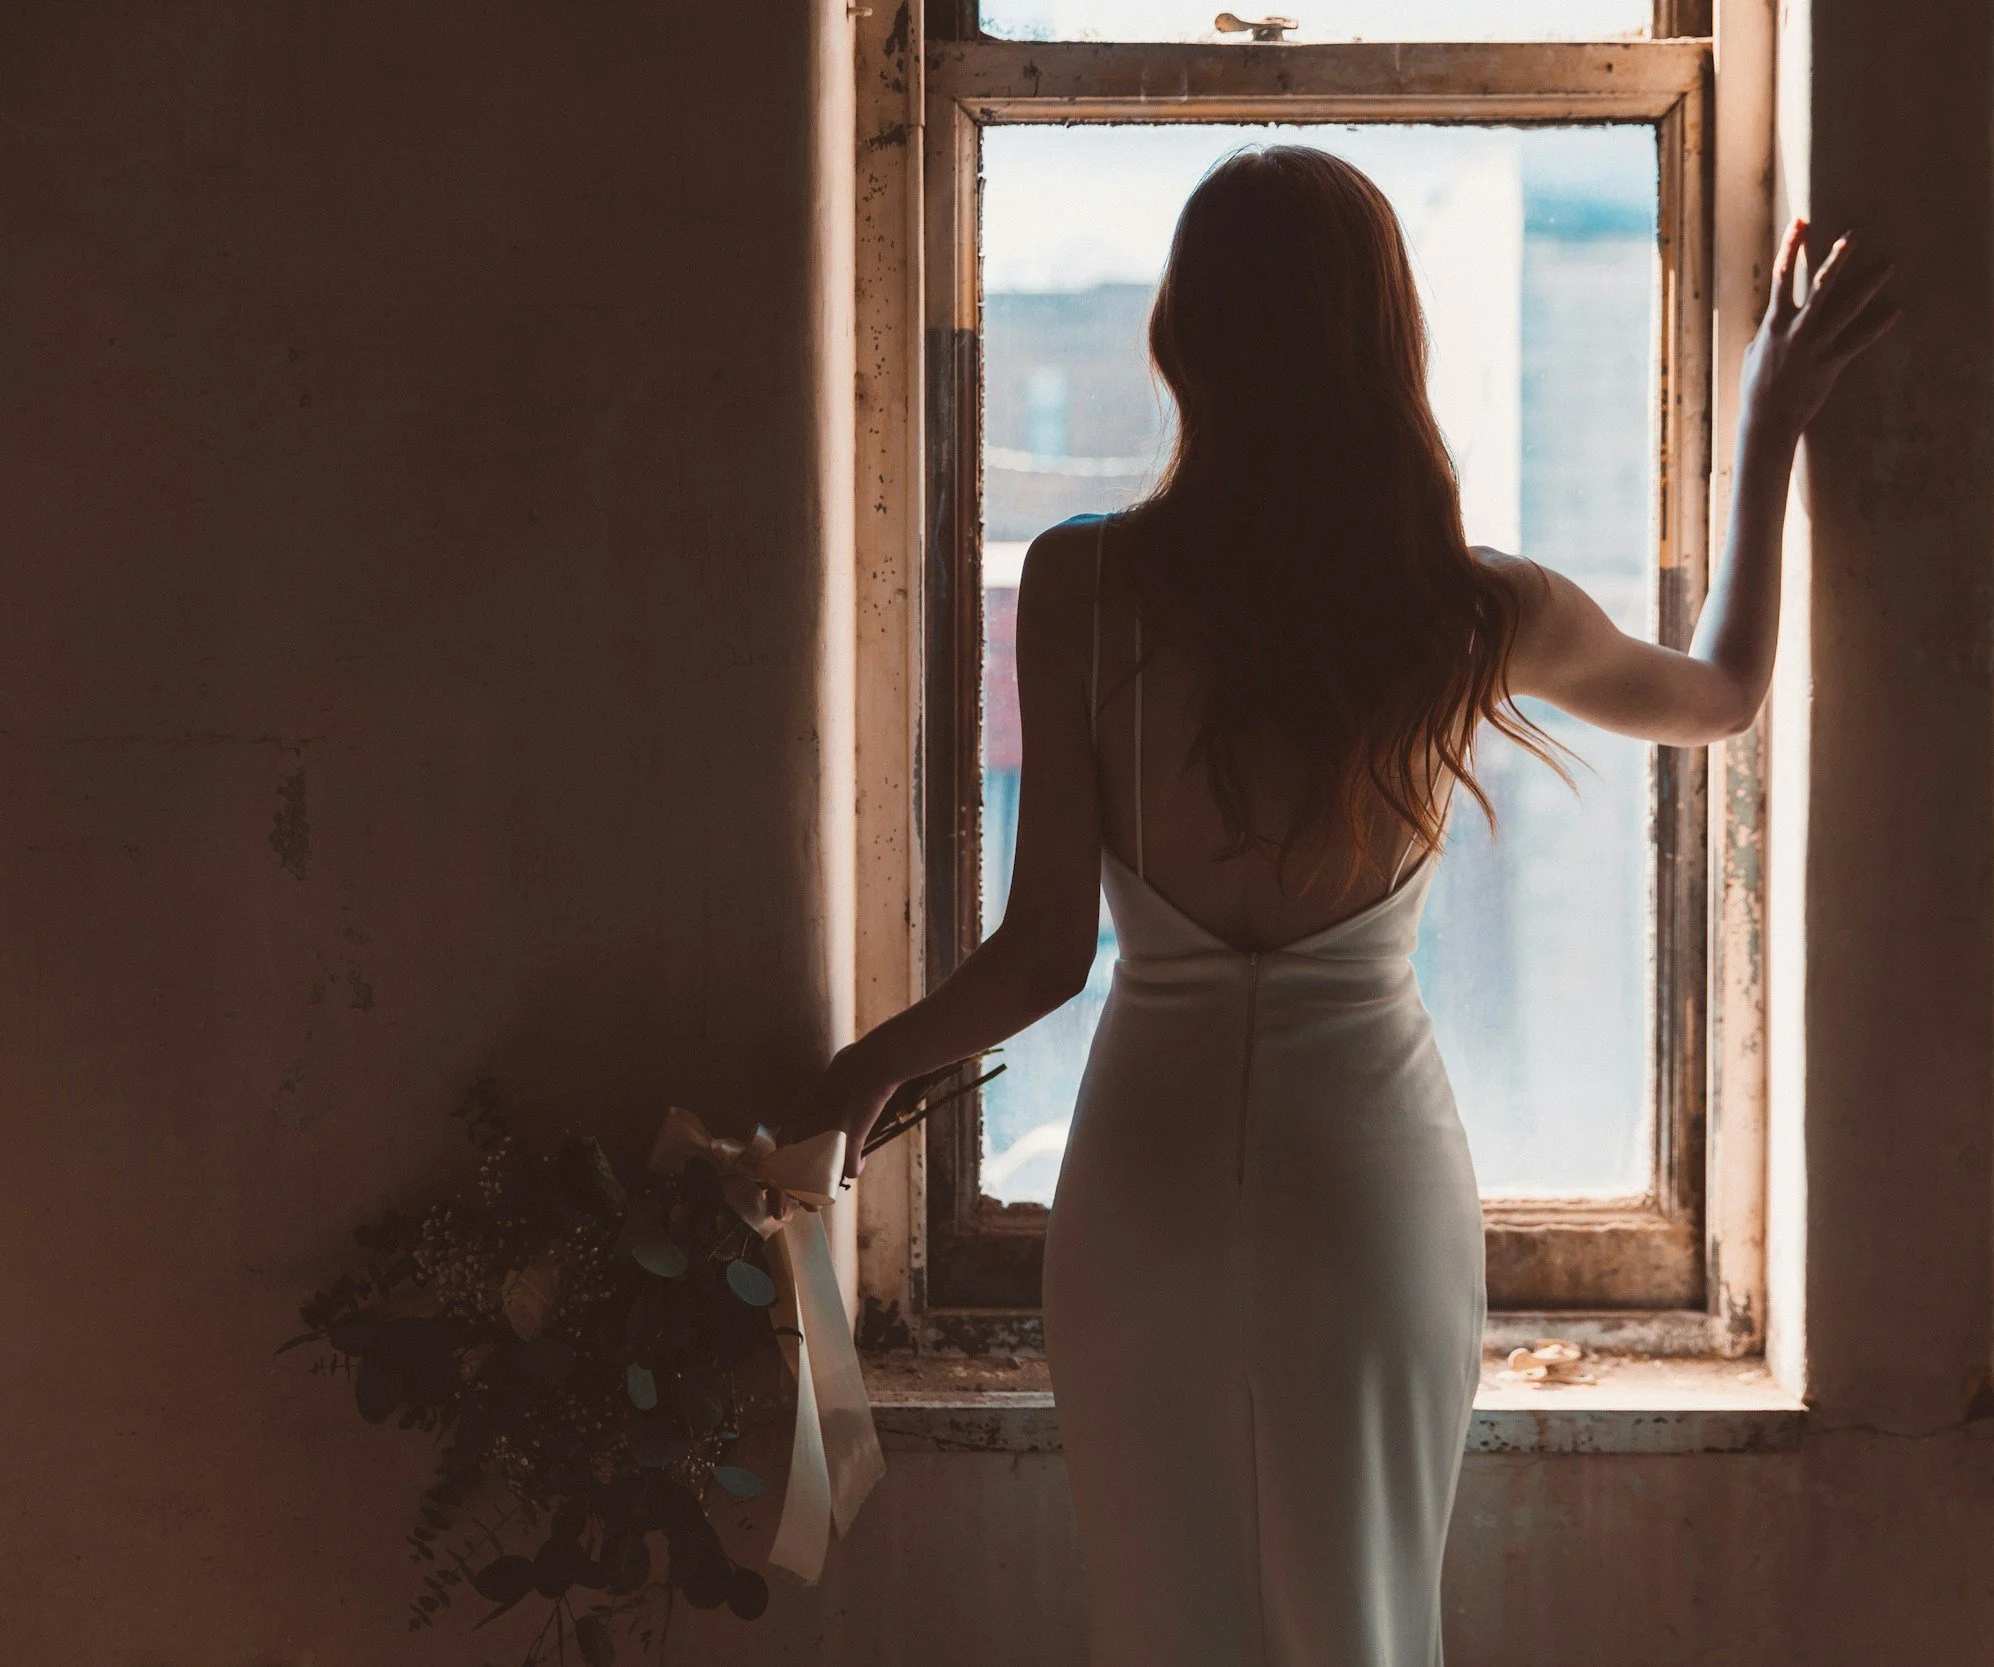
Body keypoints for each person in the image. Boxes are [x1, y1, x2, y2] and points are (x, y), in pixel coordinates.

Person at [798, 147, 1892, 1666]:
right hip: (1363, 1182)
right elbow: (1721, 694)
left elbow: (1046, 950)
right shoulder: (1470, 609)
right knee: (1361, 1625)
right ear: (1388, 342)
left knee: (1161, 1626)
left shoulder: (1083, 585)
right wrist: (1767, 426)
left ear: (1182, 335)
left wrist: (866, 1069)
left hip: (1146, 1184)